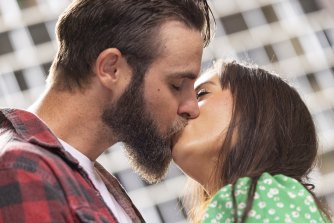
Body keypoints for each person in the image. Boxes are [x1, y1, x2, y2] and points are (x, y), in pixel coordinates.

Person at [0, 0, 213, 222]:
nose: (192, 107)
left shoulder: (86, 174)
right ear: (111, 68)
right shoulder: (24, 169)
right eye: (177, 84)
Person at [172, 59, 332, 223]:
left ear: (257, 114)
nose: (181, 107)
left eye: (201, 94)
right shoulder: (271, 200)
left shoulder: (262, 196)